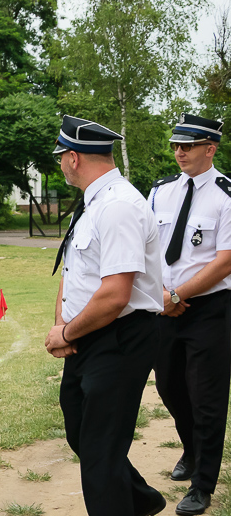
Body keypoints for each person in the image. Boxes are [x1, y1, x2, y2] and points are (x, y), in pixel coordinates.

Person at [44, 116, 165, 516]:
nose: (61, 163)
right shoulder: (93, 202)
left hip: (120, 337)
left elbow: (115, 296)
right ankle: (142, 500)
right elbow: (75, 273)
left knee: (100, 450)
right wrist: (63, 326)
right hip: (90, 334)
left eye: (61, 156)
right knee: (82, 431)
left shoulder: (117, 206)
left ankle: (128, 504)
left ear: (74, 157)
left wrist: (67, 333)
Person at [148, 114, 231, 515]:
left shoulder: (226, 195)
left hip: (209, 310)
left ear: (210, 149)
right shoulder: (160, 191)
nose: (179, 152)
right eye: (175, 145)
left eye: (188, 146)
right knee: (170, 387)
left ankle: (203, 484)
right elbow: (147, 248)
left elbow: (225, 261)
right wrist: (162, 295)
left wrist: (178, 294)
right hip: (163, 306)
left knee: (207, 399)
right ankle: (192, 449)